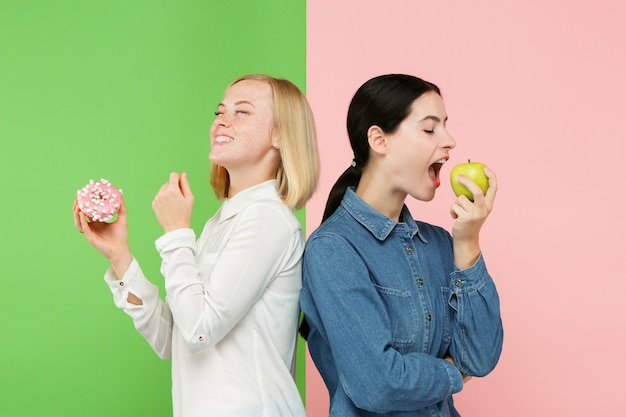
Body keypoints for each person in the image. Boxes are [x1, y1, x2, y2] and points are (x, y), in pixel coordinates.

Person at [73, 74, 320, 417]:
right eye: (220, 111)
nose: (221, 120)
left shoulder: (268, 221)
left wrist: (176, 234)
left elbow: (199, 331)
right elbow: (172, 340)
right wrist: (120, 256)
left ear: (280, 135)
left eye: (242, 112)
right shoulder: (221, 222)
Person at [299, 74, 503, 417]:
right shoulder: (332, 249)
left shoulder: (441, 243)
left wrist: (467, 241)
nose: (449, 141)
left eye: (446, 127)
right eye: (429, 129)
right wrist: (452, 371)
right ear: (379, 140)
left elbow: (481, 357)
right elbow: (376, 385)